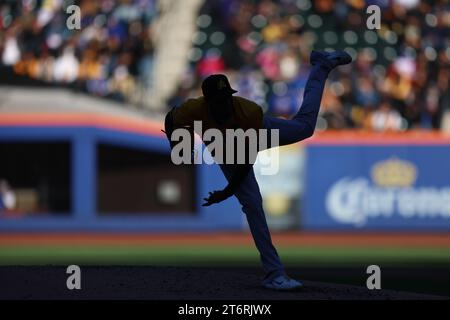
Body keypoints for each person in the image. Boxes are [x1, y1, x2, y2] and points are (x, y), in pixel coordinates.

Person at [163, 50, 352, 290]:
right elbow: (171, 119)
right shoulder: (193, 109)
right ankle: (275, 273)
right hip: (223, 147)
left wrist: (226, 192)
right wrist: (177, 142)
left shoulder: (248, 111)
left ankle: (321, 67)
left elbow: (244, 164)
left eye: (227, 96)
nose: (225, 102)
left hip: (257, 133)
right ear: (208, 101)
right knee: (253, 205)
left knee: (304, 128)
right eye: (219, 99)